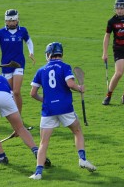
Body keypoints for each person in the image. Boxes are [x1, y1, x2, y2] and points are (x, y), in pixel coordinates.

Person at [29, 42, 96, 180]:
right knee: (77, 131)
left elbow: (33, 93)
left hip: (48, 110)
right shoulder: (65, 67)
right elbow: (70, 84)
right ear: (61, 54)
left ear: (48, 55)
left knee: (43, 142)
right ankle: (82, 159)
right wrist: (80, 88)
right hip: (65, 108)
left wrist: (45, 100)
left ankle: (38, 173)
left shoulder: (41, 70)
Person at [0, 9, 35, 125]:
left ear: (17, 20)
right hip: (6, 65)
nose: (12, 23)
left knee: (16, 91)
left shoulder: (23, 31)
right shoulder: (0, 33)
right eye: (9, 21)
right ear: (5, 21)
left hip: (19, 64)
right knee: (9, 92)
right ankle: (13, 117)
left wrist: (31, 52)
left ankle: (19, 117)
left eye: (14, 20)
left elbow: (29, 41)